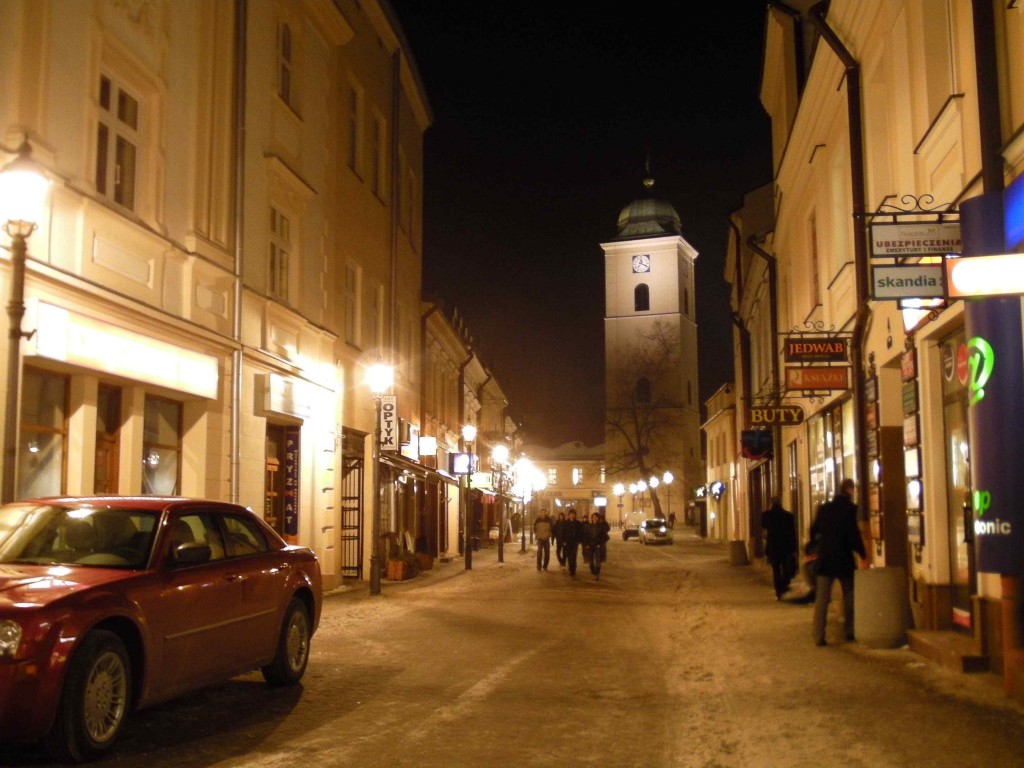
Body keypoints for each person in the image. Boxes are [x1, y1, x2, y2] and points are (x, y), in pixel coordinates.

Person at [811, 478, 866, 646]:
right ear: (849, 490)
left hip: (825, 559)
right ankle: (849, 631)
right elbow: (853, 535)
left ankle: (818, 636)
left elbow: (814, 529)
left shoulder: (825, 508)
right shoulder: (850, 510)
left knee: (822, 599)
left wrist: (816, 547)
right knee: (849, 594)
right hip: (843, 559)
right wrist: (862, 553)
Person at [761, 496, 797, 600]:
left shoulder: (767, 515)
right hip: (786, 547)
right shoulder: (789, 516)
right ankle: (785, 590)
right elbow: (792, 533)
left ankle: (778, 593)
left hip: (773, 547)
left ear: (771, 503)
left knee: (776, 571)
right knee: (786, 570)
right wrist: (794, 548)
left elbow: (763, 525)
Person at [585, 512, 611, 579]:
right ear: (592, 518)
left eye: (596, 517)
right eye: (593, 517)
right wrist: (587, 544)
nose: (595, 518)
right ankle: (593, 572)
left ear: (598, 518)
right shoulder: (588, 526)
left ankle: (597, 573)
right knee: (590, 562)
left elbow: (606, 537)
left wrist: (600, 543)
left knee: (598, 561)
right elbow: (586, 536)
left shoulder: (601, 527)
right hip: (590, 546)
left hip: (598, 547)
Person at [561, 507, 584, 577]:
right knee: (568, 557)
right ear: (569, 515)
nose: (572, 515)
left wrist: (579, 540)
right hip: (567, 543)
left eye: (573, 514)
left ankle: (573, 571)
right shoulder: (565, 523)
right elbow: (563, 533)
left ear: (575, 515)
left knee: (573, 557)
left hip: (574, 543)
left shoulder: (578, 523)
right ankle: (571, 568)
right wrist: (563, 541)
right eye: (570, 514)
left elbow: (581, 533)